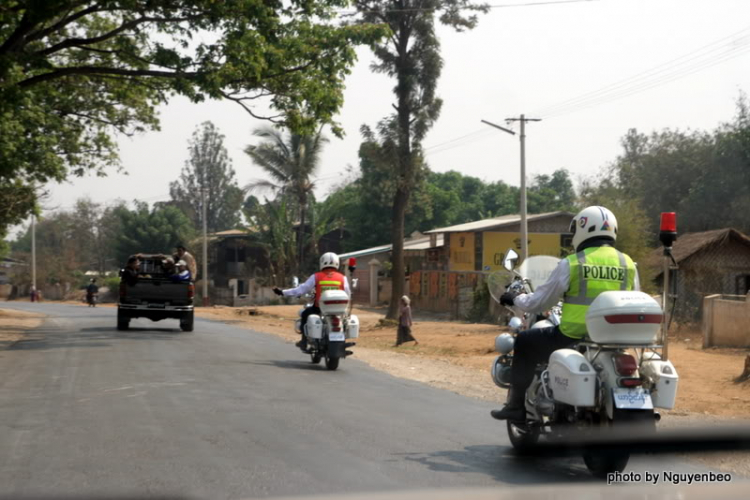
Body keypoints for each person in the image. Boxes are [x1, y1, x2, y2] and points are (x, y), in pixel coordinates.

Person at [491, 206, 639, 421]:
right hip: (614, 339)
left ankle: (515, 405)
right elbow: (634, 299)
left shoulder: (573, 263)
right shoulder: (627, 263)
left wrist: (515, 298)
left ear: (583, 229)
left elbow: (538, 302)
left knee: (524, 341)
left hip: (572, 335)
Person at [273, 252, 351, 350]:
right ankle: (343, 341)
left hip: (319, 309)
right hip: (339, 310)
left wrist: (282, 292)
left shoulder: (316, 276)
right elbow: (347, 294)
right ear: (337, 263)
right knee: (344, 322)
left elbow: (301, 289)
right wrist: (345, 307)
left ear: (322, 262)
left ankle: (304, 341)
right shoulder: (342, 278)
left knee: (305, 314)